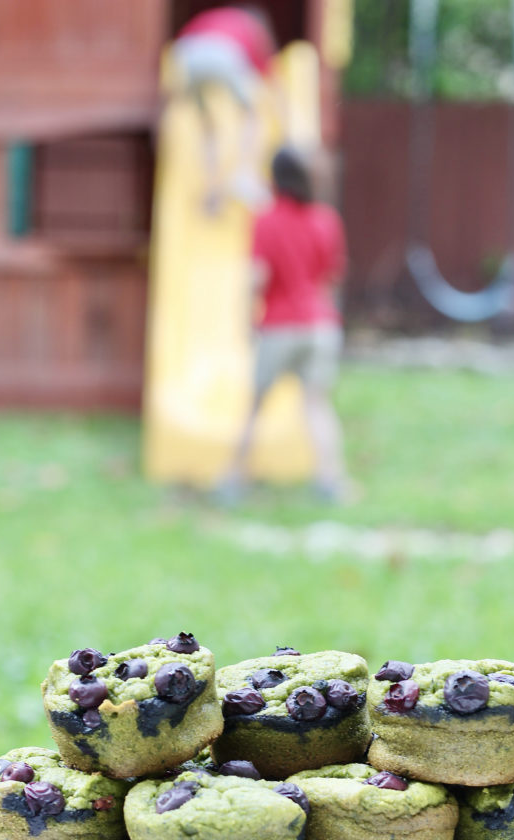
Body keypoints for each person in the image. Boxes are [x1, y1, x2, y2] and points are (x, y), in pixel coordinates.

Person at [221, 146, 352, 502]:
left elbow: (257, 278)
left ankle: (233, 478)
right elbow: (331, 276)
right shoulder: (327, 220)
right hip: (322, 326)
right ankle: (330, 480)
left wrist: (247, 320)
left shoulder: (266, 220)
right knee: (317, 405)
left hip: (280, 326)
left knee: (255, 405)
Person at [171, 5, 277, 212]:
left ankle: (210, 190)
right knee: (252, 112)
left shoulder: (216, 17)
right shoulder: (253, 26)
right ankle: (244, 174)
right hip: (223, 53)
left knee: (207, 126)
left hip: (185, 56)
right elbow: (268, 72)